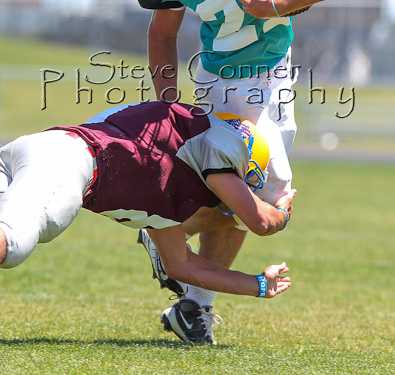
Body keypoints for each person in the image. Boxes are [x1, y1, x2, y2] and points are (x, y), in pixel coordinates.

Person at [130, 0, 353, 342]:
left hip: (278, 75)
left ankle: (193, 305)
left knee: (245, 194)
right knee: (266, 198)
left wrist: (281, 3)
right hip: (227, 85)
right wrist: (167, 106)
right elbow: (162, 34)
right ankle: (169, 231)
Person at [0, 101, 295, 344]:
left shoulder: (168, 181)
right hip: (65, 167)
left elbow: (181, 266)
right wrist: (282, 211)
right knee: (13, 242)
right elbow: (260, 221)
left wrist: (257, 284)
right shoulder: (218, 145)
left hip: (34, 147)